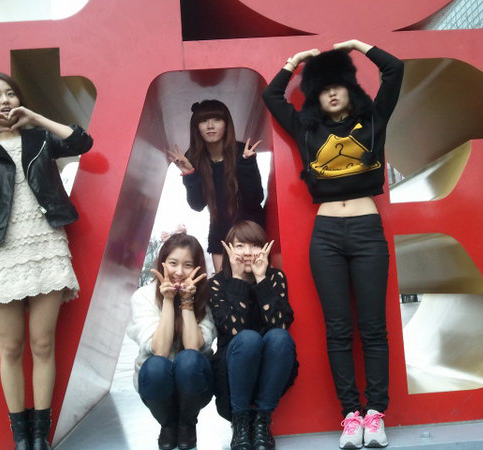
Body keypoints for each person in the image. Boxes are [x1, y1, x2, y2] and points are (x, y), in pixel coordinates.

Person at [262, 39, 404, 449]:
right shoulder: (307, 130)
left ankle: (375, 414)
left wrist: (358, 46)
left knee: (373, 328)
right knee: (338, 330)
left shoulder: (373, 120)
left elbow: (394, 70)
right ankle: (351, 416)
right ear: (316, 97)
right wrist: (294, 62)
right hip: (325, 236)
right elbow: (272, 96)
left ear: (350, 88)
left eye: (338, 85)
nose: (332, 93)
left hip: (367, 231)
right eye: (323, 88)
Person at [0, 73, 93, 449]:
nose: (5, 100)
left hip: (45, 245)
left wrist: (36, 118)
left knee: (43, 344)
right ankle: (21, 438)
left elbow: (82, 142)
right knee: (11, 348)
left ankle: (40, 436)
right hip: (3, 252)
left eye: (10, 93)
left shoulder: (40, 138)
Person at [209, 221, 298, 450]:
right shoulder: (217, 283)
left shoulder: (275, 278)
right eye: (240, 246)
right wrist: (238, 280)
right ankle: (240, 422)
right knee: (248, 338)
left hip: (269, 369)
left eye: (255, 245)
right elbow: (234, 329)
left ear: (265, 248)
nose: (248, 252)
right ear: (229, 249)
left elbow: (280, 324)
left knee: (280, 338)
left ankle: (262, 421)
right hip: (232, 371)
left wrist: (261, 280)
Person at [127, 232, 216, 450]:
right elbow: (160, 349)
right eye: (173, 263)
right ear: (163, 263)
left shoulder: (205, 297)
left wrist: (187, 302)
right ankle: (167, 425)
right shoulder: (143, 296)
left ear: (197, 269)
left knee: (189, 359)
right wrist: (168, 300)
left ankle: (187, 424)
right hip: (155, 384)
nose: (179, 272)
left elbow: (194, 347)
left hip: (196, 384)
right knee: (157, 365)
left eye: (188, 265)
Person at [168, 99, 266, 272]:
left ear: (226, 124)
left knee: (254, 284)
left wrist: (247, 165)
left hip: (250, 232)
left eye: (217, 119)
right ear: (196, 127)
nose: (210, 126)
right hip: (220, 234)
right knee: (223, 286)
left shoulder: (242, 151)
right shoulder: (193, 158)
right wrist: (190, 174)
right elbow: (197, 205)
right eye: (204, 121)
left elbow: (255, 199)